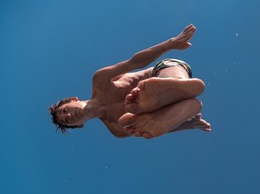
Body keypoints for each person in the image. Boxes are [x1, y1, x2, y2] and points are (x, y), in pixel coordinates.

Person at [48, 24, 211, 139]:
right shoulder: (116, 129)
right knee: (141, 122)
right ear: (79, 126)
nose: (69, 115)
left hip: (164, 70)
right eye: (68, 120)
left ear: (73, 99)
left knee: (167, 74)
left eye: (65, 111)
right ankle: (165, 99)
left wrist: (171, 44)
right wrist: (188, 125)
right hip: (163, 107)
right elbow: (161, 125)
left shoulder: (100, 81)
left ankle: (168, 85)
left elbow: (135, 62)